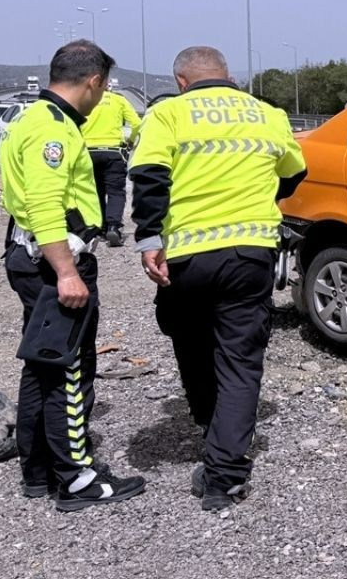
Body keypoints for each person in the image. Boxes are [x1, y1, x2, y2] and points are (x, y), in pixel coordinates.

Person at [129, 46, 306, 511]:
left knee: (189, 341)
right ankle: (224, 475)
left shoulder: (169, 112)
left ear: (182, 80)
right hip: (250, 253)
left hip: (187, 254)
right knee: (241, 358)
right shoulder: (267, 113)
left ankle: (211, 428)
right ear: (227, 75)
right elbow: (293, 174)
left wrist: (149, 239)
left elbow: (148, 176)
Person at [0, 40, 146, 511]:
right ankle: (77, 479)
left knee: (41, 366)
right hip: (54, 260)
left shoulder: (28, 117)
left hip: (31, 255)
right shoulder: (52, 129)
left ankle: (38, 470)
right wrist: (66, 272)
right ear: (94, 82)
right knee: (70, 370)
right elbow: (45, 203)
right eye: (103, 89)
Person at [79, 88, 142, 246]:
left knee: (95, 191)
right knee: (115, 192)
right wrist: (131, 140)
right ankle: (113, 227)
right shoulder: (118, 100)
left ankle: (98, 227)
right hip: (113, 152)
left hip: (88, 152)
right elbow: (137, 123)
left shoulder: (84, 100)